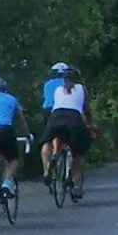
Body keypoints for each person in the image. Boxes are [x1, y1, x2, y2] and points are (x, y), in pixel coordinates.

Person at [40, 62, 93, 200]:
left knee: (48, 141)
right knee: (78, 154)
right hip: (73, 120)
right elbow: (86, 109)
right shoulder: (82, 88)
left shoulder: (58, 89)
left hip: (55, 118)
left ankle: (51, 162)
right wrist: (90, 123)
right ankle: (77, 186)